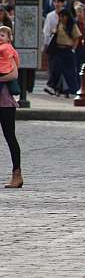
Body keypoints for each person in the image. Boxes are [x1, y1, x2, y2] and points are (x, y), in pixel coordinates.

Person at [0, 43, 22, 189]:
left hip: (5, 102)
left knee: (10, 137)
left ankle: (17, 174)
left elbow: (14, 74)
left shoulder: (7, 52)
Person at [51, 9, 82, 98]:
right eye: (60, 16)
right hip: (59, 49)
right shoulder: (59, 24)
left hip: (68, 49)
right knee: (57, 69)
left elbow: (77, 37)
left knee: (69, 71)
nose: (61, 18)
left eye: (63, 16)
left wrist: (73, 49)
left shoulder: (72, 25)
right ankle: (57, 88)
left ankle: (72, 89)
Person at [42, 0, 66, 95]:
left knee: (60, 66)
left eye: (59, 2)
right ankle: (53, 85)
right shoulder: (50, 15)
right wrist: (45, 44)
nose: (57, 4)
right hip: (53, 43)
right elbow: (46, 31)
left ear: (63, 3)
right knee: (53, 65)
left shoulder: (66, 14)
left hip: (63, 43)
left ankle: (56, 86)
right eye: (55, 2)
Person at [0, 26, 21, 101]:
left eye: (2, 35)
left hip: (3, 70)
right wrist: (17, 65)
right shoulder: (11, 48)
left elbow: (14, 75)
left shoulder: (5, 47)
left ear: (8, 39)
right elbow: (16, 57)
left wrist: (15, 66)